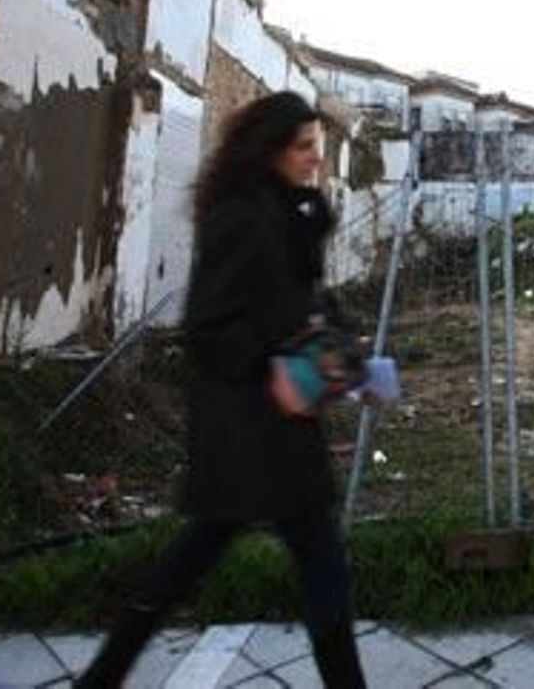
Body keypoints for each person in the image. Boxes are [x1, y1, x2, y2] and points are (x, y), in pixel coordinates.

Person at [78, 91, 368, 688]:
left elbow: (307, 299)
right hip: (243, 420)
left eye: (318, 146)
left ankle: (103, 677)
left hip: (281, 421)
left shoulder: (289, 211)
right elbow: (207, 325)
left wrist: (340, 351)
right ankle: (103, 676)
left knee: (297, 555)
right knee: (240, 552)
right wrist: (273, 369)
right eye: (304, 147)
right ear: (269, 151)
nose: (316, 159)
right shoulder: (240, 215)